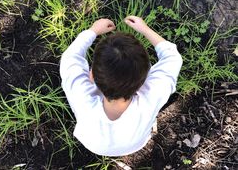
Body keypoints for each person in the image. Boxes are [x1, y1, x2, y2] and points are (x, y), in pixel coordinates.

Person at [60, 16, 183, 156]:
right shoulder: (152, 95)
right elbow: (172, 57)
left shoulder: (81, 96)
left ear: (92, 75)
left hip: (92, 143)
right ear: (144, 81)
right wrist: (145, 29)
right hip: (135, 143)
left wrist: (93, 31)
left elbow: (70, 57)